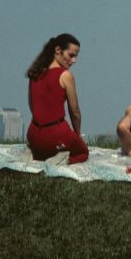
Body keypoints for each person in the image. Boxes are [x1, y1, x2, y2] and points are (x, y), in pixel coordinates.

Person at [25, 33, 89, 164]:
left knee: (44, 151)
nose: (74, 61)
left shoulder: (34, 73)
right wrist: (77, 136)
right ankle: (62, 158)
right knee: (83, 152)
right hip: (56, 135)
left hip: (33, 136)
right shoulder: (66, 75)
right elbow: (75, 112)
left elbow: (32, 107)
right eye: (71, 55)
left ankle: (38, 154)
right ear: (58, 50)